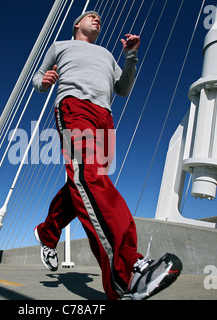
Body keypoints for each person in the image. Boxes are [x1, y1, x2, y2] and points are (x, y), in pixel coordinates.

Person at [32, 11, 182, 300]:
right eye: (90, 15)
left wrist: (131, 57)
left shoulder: (107, 55)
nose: (97, 18)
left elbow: (123, 89)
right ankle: (127, 272)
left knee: (87, 181)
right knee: (89, 179)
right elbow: (39, 78)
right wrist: (45, 81)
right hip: (75, 106)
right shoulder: (60, 46)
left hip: (105, 117)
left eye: (99, 17)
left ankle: (47, 232)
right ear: (77, 24)